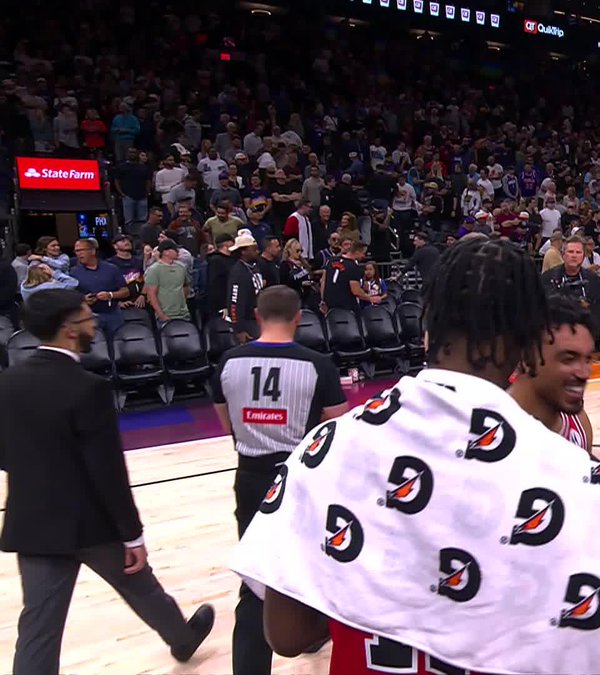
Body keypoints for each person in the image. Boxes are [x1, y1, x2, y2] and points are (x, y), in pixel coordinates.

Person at [231, 238, 600, 675]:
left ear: (427, 327)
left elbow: (287, 635)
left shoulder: (326, 448)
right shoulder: (583, 482)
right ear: (527, 341)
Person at [0, 289, 215, 674]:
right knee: (141, 588)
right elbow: (108, 470)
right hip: (91, 521)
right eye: (87, 318)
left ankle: (183, 637)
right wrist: (132, 535)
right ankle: (182, 639)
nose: (94, 323)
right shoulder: (88, 387)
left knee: (38, 626)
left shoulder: (8, 382)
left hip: (33, 520)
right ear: (69, 329)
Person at [212, 286, 348, 675]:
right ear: (298, 318)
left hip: (250, 477)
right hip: (300, 478)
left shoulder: (228, 362)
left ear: (257, 316)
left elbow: (226, 424)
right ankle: (309, 631)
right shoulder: (317, 364)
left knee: (256, 579)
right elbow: (339, 426)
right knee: (314, 565)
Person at [508, 293, 595, 451]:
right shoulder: (488, 429)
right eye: (569, 359)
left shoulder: (579, 424)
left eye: (588, 359)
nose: (584, 373)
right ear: (527, 357)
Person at [71, 238, 130, 337]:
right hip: (89, 316)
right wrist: (83, 299)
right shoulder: (73, 273)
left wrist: (110, 295)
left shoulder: (111, 269)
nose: (78, 254)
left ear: (93, 251)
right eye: (76, 251)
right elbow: (70, 297)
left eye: (81, 250)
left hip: (113, 314)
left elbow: (125, 291)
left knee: (118, 341)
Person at [228, 229, 266, 342]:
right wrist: (239, 329)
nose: (257, 251)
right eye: (253, 249)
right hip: (247, 322)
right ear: (243, 251)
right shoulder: (238, 272)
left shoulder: (254, 266)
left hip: (259, 317)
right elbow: (234, 302)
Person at [321, 241, 381, 312]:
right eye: (363, 253)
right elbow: (355, 291)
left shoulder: (330, 261)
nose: (364, 256)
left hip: (329, 305)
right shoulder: (353, 267)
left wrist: (322, 300)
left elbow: (323, 281)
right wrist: (370, 298)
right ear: (357, 252)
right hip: (346, 307)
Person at [144, 240, 191, 323]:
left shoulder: (181, 267)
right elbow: (151, 295)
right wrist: (161, 315)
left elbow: (186, 287)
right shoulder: (154, 270)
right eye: (175, 249)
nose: (178, 251)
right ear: (166, 252)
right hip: (166, 316)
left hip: (184, 314)